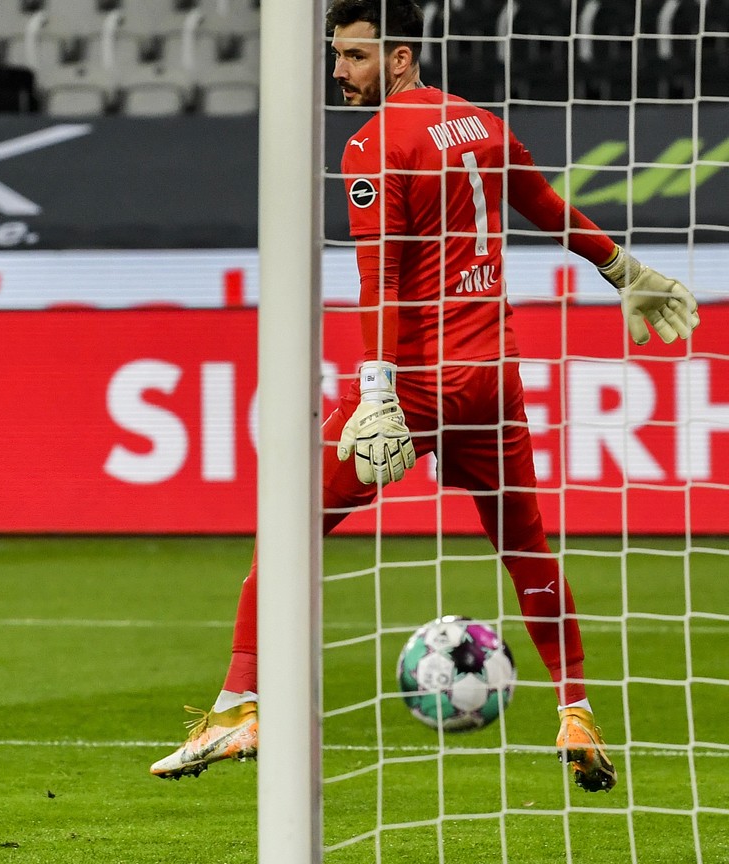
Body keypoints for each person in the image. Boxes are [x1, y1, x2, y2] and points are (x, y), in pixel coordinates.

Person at [150, 0, 700, 793]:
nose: (340, 72)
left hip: (415, 380)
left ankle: (239, 707)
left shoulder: (375, 144)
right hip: (494, 378)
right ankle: (575, 707)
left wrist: (376, 389)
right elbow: (543, 206)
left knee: (291, 521)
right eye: (336, 56)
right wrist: (624, 269)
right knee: (525, 547)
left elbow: (383, 279)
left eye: (356, 57)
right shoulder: (478, 122)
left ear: (401, 56)